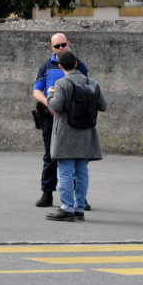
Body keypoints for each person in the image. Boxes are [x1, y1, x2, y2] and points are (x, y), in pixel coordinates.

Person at [44, 50, 106, 221]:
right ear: (77, 64)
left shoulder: (61, 83)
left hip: (66, 134)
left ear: (61, 66)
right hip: (86, 133)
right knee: (81, 172)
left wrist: (50, 93)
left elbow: (55, 106)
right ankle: (79, 207)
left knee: (65, 172)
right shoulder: (92, 83)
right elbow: (103, 106)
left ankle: (67, 208)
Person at [31, 32, 89, 208]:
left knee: (76, 159)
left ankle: (80, 198)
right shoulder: (46, 66)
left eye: (63, 44)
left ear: (68, 44)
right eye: (57, 46)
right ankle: (47, 194)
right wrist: (47, 104)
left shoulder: (78, 65)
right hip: (50, 119)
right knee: (50, 156)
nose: (61, 48)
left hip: (73, 119)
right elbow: (36, 90)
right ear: (52, 47)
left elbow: (88, 87)